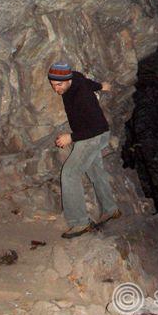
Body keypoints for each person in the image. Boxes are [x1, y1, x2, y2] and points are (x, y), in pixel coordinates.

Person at [48, 62, 121, 238]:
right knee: (95, 171)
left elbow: (97, 128)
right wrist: (101, 86)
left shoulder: (82, 97)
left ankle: (79, 223)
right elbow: (87, 82)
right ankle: (111, 209)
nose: (56, 89)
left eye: (59, 85)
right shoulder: (75, 78)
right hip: (91, 134)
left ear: (67, 81)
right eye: (53, 84)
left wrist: (71, 137)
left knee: (70, 174)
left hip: (93, 135)